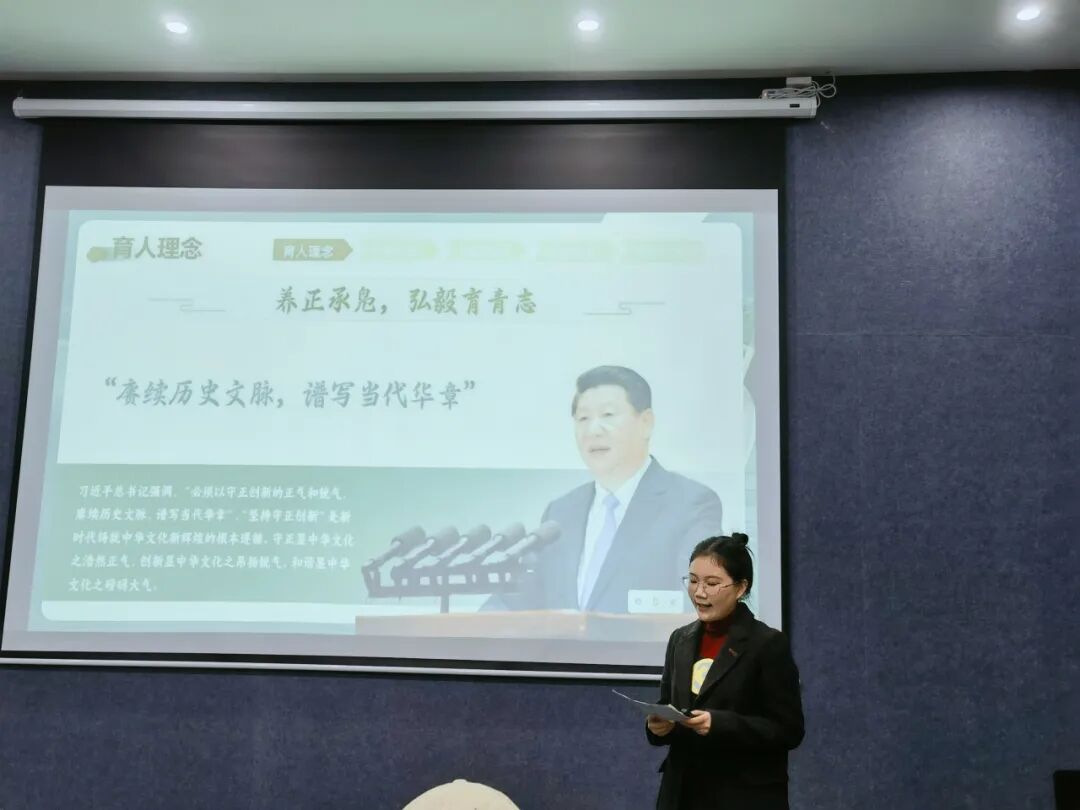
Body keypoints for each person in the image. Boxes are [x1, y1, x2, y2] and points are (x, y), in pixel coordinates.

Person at [509, 365, 723, 613]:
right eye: (583, 418)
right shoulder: (560, 512)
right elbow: (527, 597)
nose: (593, 430)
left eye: (608, 415)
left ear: (645, 423)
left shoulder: (690, 504)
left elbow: (702, 600)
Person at [646, 534, 804, 810]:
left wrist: (719, 724)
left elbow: (788, 730)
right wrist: (660, 727)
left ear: (741, 587)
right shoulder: (680, 639)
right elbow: (669, 704)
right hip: (682, 794)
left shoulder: (767, 644)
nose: (699, 593)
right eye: (693, 580)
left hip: (742, 796)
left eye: (711, 584)